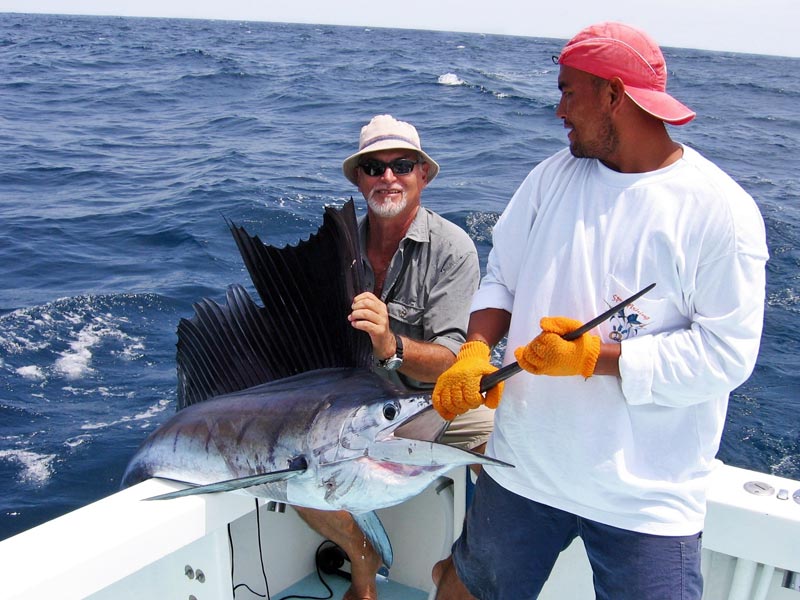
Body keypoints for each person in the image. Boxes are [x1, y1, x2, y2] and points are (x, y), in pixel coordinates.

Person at [431, 22, 769, 600]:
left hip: (645, 497)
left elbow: (726, 357)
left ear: (614, 95)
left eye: (568, 91)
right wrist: (474, 352)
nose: (558, 109)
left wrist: (594, 357)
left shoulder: (722, 213)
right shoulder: (547, 179)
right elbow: (502, 281)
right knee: (467, 589)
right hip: (525, 470)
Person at [294, 114, 495, 600]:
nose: (388, 177)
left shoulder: (452, 248)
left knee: (507, 446)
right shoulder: (336, 250)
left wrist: (391, 345)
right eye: (373, 167)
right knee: (277, 456)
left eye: (402, 165)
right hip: (346, 407)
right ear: (359, 179)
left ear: (423, 174)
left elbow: (453, 359)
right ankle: (361, 555)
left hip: (432, 404)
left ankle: (465, 566)